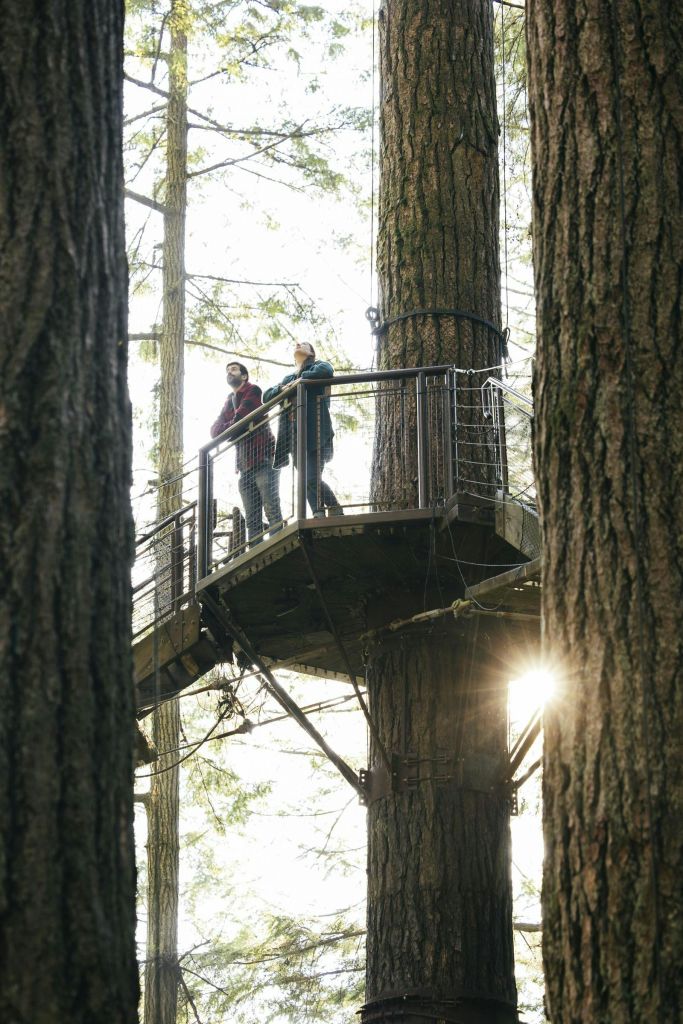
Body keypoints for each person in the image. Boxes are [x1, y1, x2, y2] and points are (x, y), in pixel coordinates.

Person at [263, 341, 343, 518]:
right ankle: (323, 512)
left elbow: (327, 371)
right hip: (294, 436)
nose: (298, 344)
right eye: (296, 344)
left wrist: (300, 380)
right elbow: (266, 396)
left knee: (311, 478)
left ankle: (326, 511)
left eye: (304, 344)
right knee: (306, 479)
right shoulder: (288, 379)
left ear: (311, 352)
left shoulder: (318, 365)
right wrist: (283, 388)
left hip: (316, 432)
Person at [211, 362, 283, 544]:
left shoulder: (253, 391)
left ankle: (277, 545)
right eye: (227, 370)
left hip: (263, 457)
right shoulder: (229, 400)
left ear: (244, 376)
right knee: (252, 518)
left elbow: (241, 418)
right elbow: (214, 431)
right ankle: (258, 552)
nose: (229, 372)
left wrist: (230, 429)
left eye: (234, 369)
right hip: (244, 466)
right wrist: (232, 428)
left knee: (271, 508)